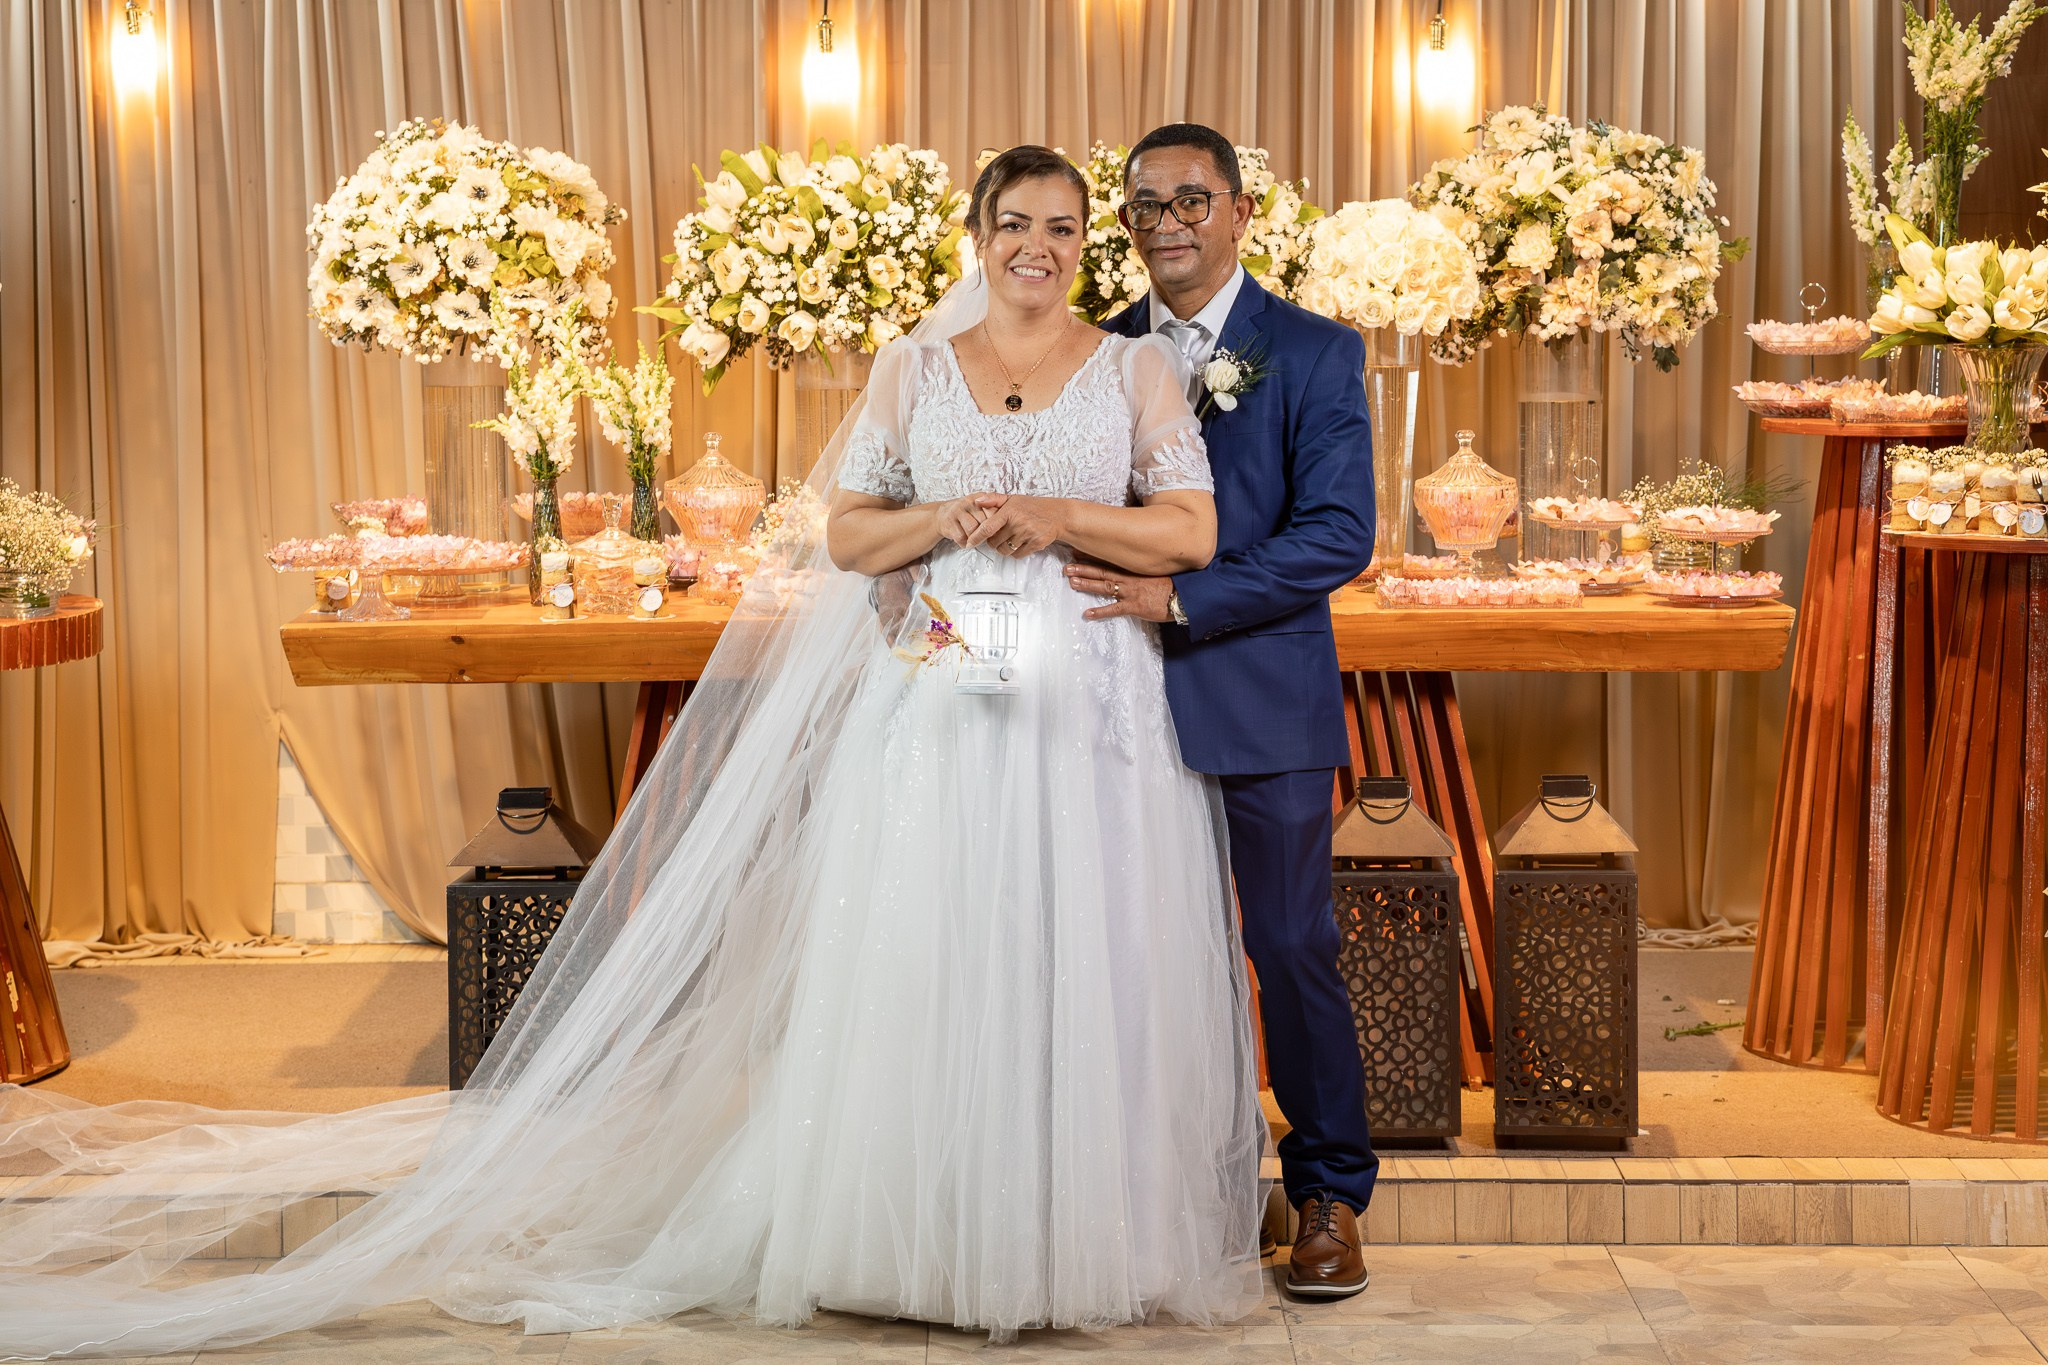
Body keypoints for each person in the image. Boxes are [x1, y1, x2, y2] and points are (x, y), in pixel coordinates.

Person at [0, 145, 1266, 1359]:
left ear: (1080, 244)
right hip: (939, 686)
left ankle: (1073, 1240)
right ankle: (919, 1241)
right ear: (976, 237)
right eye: (1013, 224)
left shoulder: (1134, 370)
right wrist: (940, 517)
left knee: (1075, 952)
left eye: (1059, 229)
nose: (1035, 250)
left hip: (1087, 701)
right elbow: (846, 537)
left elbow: (1194, 532)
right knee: (931, 953)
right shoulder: (913, 368)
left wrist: (1049, 515)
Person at [1065, 122, 1379, 1299]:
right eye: (1143, 204)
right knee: (1133, 956)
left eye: (1189, 200)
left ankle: (1328, 1195)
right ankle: (1166, 1192)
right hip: (1110, 699)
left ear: (1241, 212)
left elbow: (1337, 535)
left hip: (1257, 694)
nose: (1164, 223)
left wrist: (1183, 597)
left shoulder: (1309, 350)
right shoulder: (1089, 355)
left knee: (1289, 946)